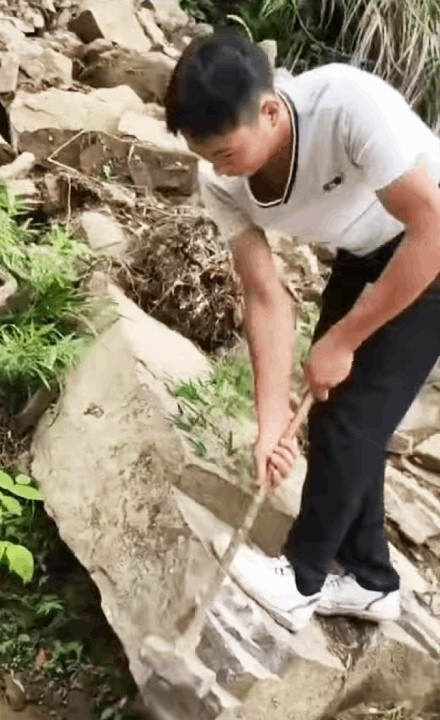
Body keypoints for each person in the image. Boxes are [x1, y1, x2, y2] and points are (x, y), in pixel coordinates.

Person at [164, 29, 440, 632]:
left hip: (432, 244)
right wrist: (268, 420)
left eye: (227, 154)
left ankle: (300, 579)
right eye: (206, 156)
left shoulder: (345, 107)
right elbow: (265, 295)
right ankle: (371, 580)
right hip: (367, 248)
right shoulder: (220, 181)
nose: (217, 171)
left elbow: (432, 231)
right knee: (334, 408)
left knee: (351, 414)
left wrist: (340, 341)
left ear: (269, 110)